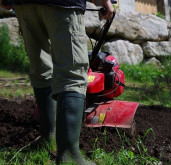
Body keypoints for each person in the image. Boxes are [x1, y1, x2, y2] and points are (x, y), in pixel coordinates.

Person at [0, 0, 114, 164]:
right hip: (63, 4)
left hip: (24, 5)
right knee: (72, 75)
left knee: (41, 69)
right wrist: (106, 3)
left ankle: (49, 138)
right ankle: (69, 154)